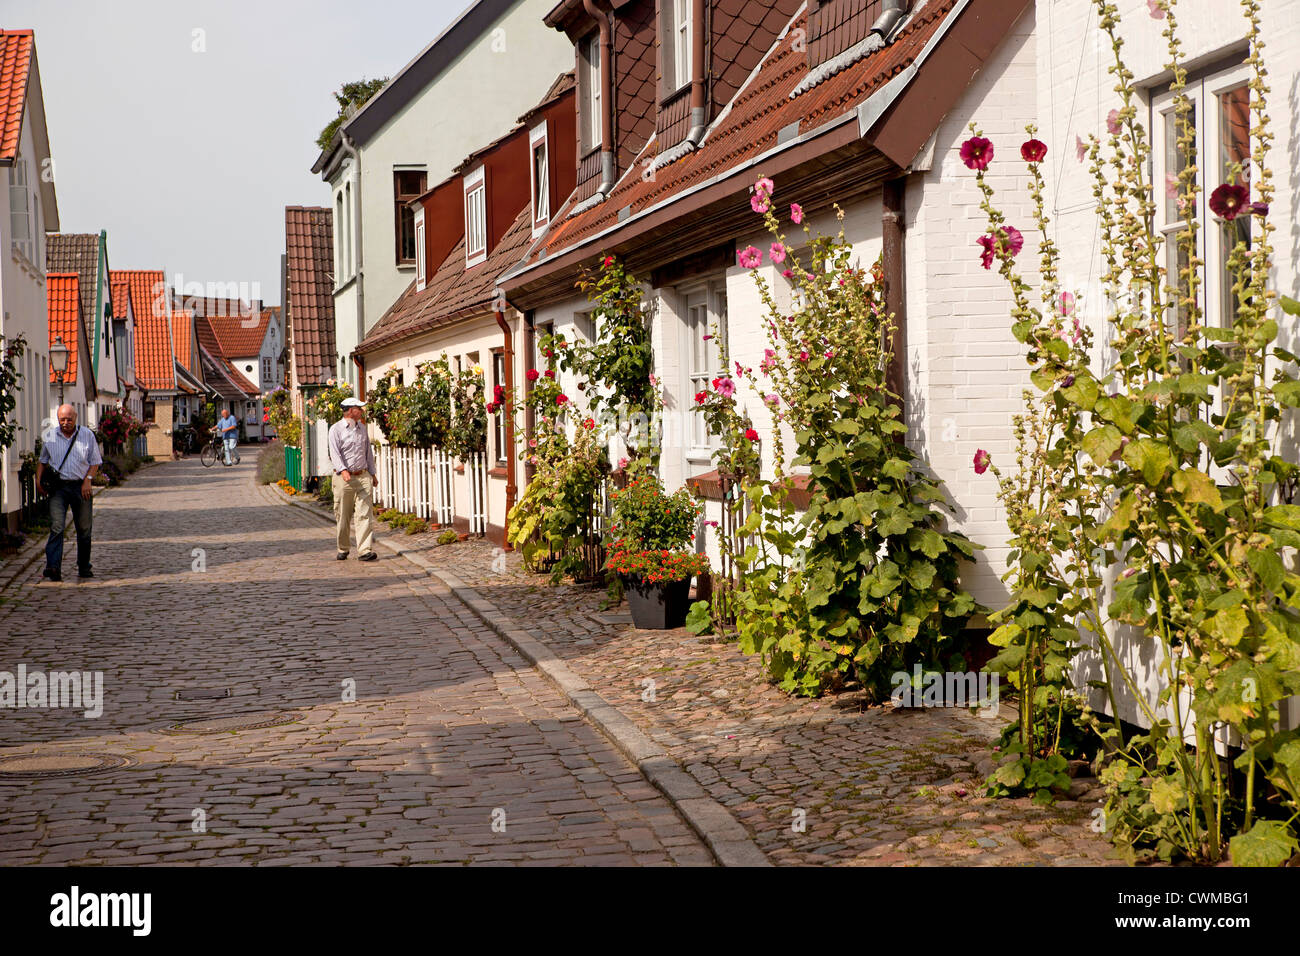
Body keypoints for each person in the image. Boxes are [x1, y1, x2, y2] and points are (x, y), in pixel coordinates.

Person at [36, 405, 103, 582]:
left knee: (84, 529)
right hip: (59, 488)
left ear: (76, 417)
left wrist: (88, 480)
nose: (65, 423)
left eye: (69, 419)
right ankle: (53, 567)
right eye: (62, 419)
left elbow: (95, 462)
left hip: (81, 487)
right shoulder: (50, 436)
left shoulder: (87, 435)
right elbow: (43, 461)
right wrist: (38, 480)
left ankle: (84, 566)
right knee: (57, 526)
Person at [328, 397, 379, 561]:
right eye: (359, 408)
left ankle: (364, 550)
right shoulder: (335, 429)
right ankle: (343, 548)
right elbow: (334, 453)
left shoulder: (362, 429)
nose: (362, 411)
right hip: (344, 478)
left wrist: (372, 473)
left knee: (365, 514)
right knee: (343, 514)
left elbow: (368, 453)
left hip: (363, 475)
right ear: (350, 410)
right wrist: (343, 470)